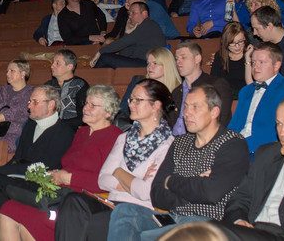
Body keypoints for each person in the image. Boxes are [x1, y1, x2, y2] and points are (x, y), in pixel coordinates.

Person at [0, 80, 173, 241]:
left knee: (42, 216)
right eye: (86, 103)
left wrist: (118, 172)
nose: (131, 104)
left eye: (137, 100)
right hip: (76, 197)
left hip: (94, 200)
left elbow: (143, 191)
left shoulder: (161, 143)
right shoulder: (122, 138)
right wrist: (127, 179)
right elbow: (104, 178)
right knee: (9, 208)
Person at [107, 85, 250, 241]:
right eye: (186, 107)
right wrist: (196, 185)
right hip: (171, 216)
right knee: (124, 211)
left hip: (206, 222)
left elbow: (211, 193)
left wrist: (171, 181)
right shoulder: (180, 142)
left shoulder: (231, 143)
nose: (187, 113)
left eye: (195, 107)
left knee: (147, 236)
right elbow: (156, 193)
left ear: (214, 112)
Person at [0, 85, 76, 241]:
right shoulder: (30, 125)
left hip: (39, 184)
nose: (29, 105)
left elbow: (43, 168)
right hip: (19, 178)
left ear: (51, 104)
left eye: (35, 101)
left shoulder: (64, 132)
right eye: (29, 101)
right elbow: (17, 158)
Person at [216, 95, 284, 241]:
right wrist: (239, 221)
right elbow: (240, 197)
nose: (282, 132)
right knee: (202, 231)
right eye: (279, 124)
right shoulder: (267, 154)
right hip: (254, 230)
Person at [228, 42, 284, 157]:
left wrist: (241, 146)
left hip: (266, 154)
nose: (255, 67)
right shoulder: (246, 91)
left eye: (261, 62)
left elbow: (281, 131)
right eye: (253, 62)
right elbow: (234, 126)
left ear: (276, 65)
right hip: (237, 152)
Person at [169, 42, 232, 134]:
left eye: (183, 57)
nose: (178, 62)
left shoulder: (216, 85)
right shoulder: (176, 92)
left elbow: (222, 120)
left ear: (197, 59)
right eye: (176, 58)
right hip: (173, 142)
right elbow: (169, 120)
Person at [89, 2, 166, 68]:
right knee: (107, 62)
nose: (130, 16)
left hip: (150, 64)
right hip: (141, 62)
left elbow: (123, 42)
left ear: (144, 13)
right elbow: (124, 54)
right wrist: (127, 32)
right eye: (129, 13)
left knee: (105, 57)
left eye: (133, 13)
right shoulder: (140, 29)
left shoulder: (148, 25)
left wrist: (100, 52)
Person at [0, 60, 34, 153]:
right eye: (7, 71)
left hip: (15, 133)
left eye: (12, 71)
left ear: (23, 73)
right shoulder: (4, 89)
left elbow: (18, 111)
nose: (7, 74)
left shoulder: (31, 92)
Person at [118, 47, 182, 117]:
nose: (150, 67)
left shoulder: (179, 89)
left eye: (155, 63)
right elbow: (123, 111)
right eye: (148, 63)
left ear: (167, 66)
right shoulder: (138, 82)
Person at [45, 49, 89, 128]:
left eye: (57, 63)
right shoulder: (48, 86)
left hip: (71, 130)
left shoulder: (80, 85)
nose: (52, 66)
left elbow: (84, 116)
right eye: (53, 62)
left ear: (69, 67)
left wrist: (59, 125)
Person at [210, 22, 250, 95]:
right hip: (225, 96)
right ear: (225, 42)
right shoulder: (220, 56)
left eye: (240, 41)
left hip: (245, 96)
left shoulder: (251, 55)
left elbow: (253, 86)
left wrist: (248, 59)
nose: (237, 46)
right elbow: (214, 81)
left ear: (245, 39)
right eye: (232, 43)